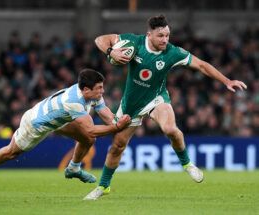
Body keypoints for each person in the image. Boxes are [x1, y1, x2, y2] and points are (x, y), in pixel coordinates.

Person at [84, 15, 247, 200]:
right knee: (117, 146)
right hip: (131, 104)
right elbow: (100, 39)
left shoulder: (172, 52)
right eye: (161, 36)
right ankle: (103, 187)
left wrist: (227, 81)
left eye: (167, 35)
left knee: (170, 129)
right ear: (149, 35)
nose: (165, 40)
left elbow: (201, 65)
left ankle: (187, 164)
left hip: (157, 99)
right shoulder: (134, 42)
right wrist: (110, 51)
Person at [0, 68, 131, 190]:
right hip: (36, 123)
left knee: (88, 138)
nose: (102, 91)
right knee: (12, 152)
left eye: (102, 87)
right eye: (99, 88)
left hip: (59, 120)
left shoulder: (93, 94)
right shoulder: (74, 101)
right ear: (85, 90)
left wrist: (119, 122)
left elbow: (105, 114)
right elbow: (91, 128)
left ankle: (73, 169)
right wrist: (117, 126)